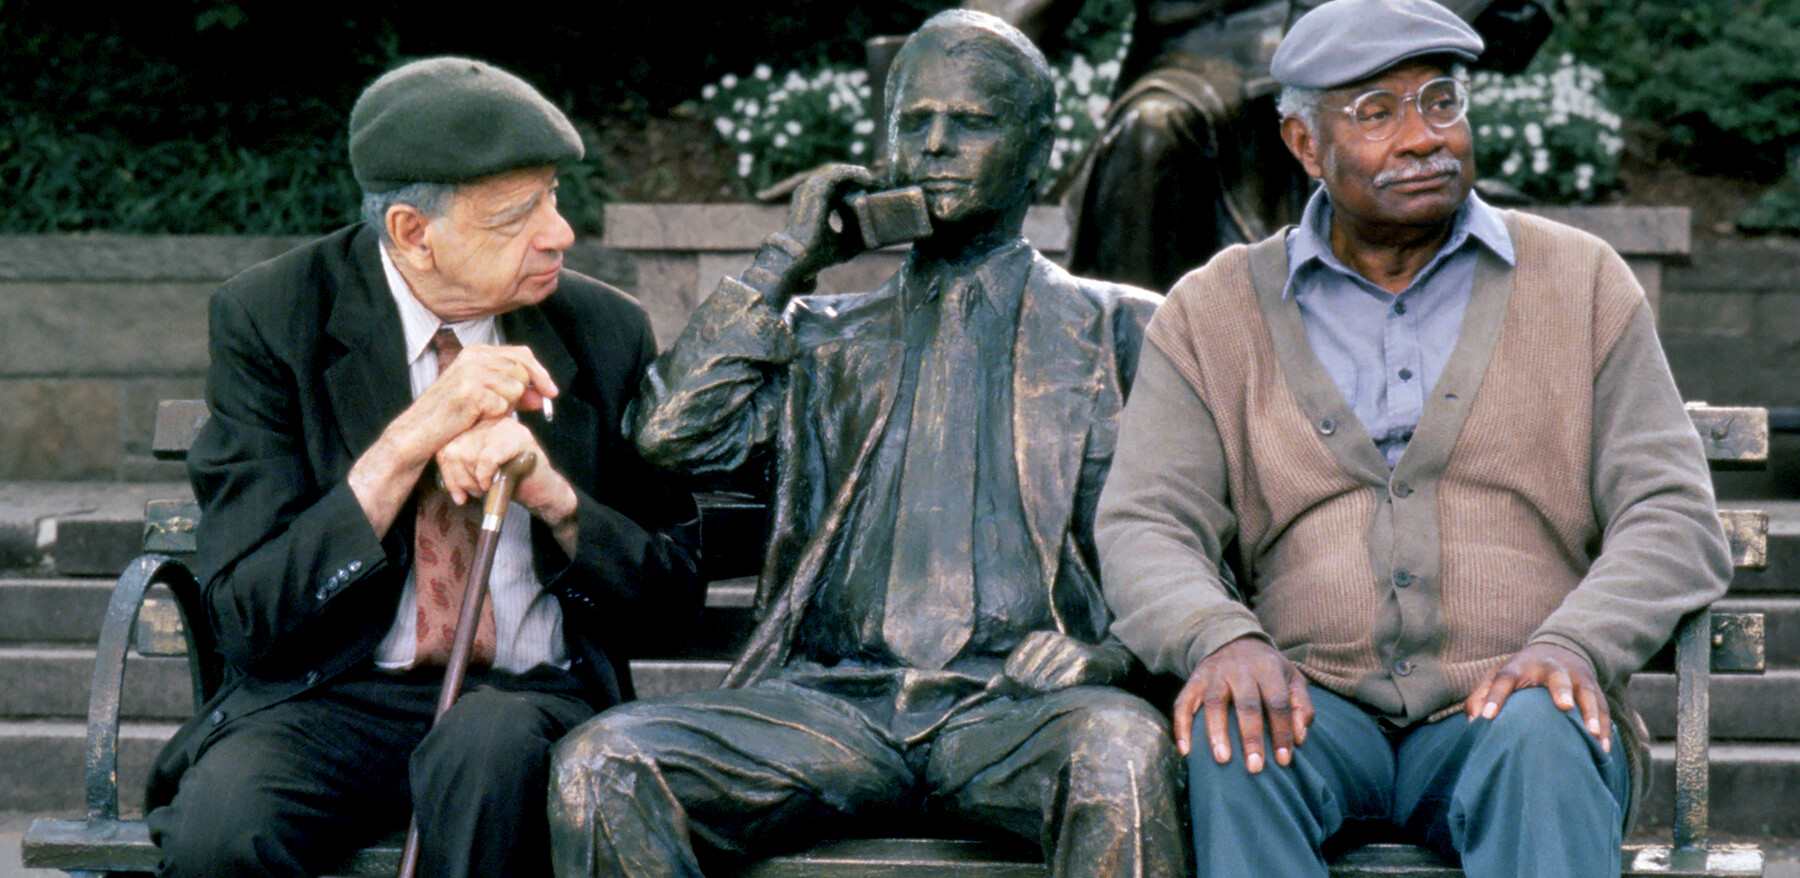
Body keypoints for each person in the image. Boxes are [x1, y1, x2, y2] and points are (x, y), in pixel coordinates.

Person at [1092, 1, 1732, 876]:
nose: (1423, 138)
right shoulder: (1212, 312)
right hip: (1314, 710)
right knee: (1235, 740)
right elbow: (1147, 523)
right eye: (1376, 112)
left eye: (1441, 101)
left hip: (1514, 712)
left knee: (1545, 731)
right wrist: (1219, 638)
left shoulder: (1582, 283)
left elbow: (1671, 514)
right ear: (1305, 145)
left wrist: (1575, 644)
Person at [547, 11, 1186, 878]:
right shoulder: (820, 337)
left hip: (1023, 707)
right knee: (603, 765)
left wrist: (1115, 656)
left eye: (971, 122)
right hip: (832, 706)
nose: (936, 145)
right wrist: (785, 261)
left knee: (1120, 753)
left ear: (1041, 151)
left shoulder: (1127, 332)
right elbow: (666, 437)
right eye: (914, 122)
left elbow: (1198, 535)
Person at [143, 57, 703, 878]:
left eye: (552, 196)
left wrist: (555, 499)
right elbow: (249, 617)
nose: (559, 233)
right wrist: (409, 442)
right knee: (222, 833)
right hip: (329, 694)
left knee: (484, 755)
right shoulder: (273, 316)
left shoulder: (604, 330)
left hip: (527, 699)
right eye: (516, 216)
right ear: (412, 232)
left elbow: (670, 603)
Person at [964, 0, 1558, 294]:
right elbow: (1008, 17)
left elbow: (1517, 28)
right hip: (1195, 66)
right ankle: (1132, 379)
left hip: (1358, 57)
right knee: (1152, 132)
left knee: (1385, 133)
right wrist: (964, 75)